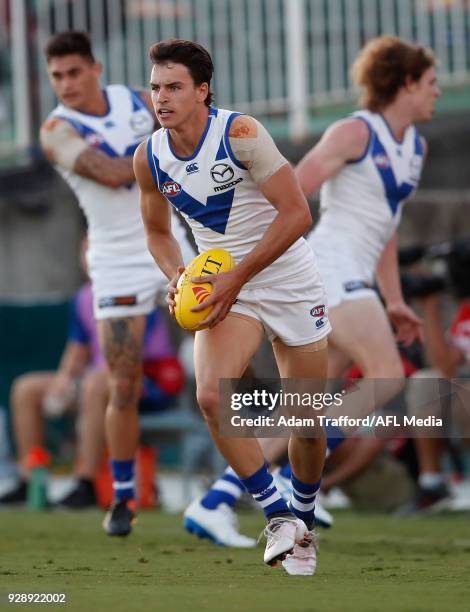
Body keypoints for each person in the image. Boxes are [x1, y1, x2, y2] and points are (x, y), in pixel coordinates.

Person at [134, 39, 330, 575]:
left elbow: (297, 214)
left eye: (174, 87)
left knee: (307, 425)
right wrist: (179, 276)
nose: (162, 97)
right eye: (155, 87)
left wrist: (237, 276)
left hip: (289, 280)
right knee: (211, 396)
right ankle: (278, 517)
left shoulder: (239, 133)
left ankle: (305, 524)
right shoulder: (148, 155)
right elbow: (157, 232)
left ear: (202, 90)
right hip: (228, 290)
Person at [40, 31, 193, 535]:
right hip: (118, 261)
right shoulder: (56, 130)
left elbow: (186, 137)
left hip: (171, 242)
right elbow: (109, 173)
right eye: (56, 75)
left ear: (95, 68)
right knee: (121, 384)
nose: (65, 84)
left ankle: (258, 477)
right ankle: (122, 497)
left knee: (234, 345)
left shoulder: (134, 98)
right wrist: (165, 141)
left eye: (74, 72)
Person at [293, 35, 440, 441]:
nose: (437, 91)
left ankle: (217, 497)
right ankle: (297, 480)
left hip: (351, 279)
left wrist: (393, 300)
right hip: (331, 269)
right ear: (407, 83)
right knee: (388, 374)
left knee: (306, 403)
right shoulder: (355, 132)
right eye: (430, 81)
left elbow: (385, 228)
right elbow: (292, 193)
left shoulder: (416, 147)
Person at [0, 277, 181, 508]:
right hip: (96, 380)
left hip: (144, 380)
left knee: (93, 384)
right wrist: (63, 380)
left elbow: (132, 355)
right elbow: (78, 348)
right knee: (25, 388)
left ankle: (85, 483)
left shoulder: (138, 290)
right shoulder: (83, 297)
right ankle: (31, 480)